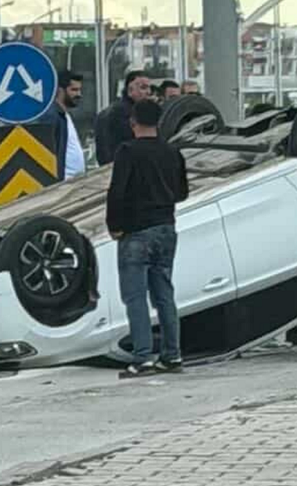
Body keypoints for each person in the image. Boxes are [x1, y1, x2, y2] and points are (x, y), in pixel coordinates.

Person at [106, 100, 189, 376]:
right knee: (164, 293)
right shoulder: (173, 152)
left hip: (136, 231)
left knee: (136, 297)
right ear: (159, 122)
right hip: (166, 228)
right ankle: (172, 355)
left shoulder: (127, 151)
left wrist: (115, 225)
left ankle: (142, 357)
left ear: (133, 122)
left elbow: (117, 192)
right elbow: (182, 192)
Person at [95, 70, 152, 165]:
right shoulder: (130, 115)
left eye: (149, 88)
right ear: (130, 91)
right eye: (143, 88)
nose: (149, 92)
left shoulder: (106, 112)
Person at [38, 70, 86, 179]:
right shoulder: (52, 116)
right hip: (63, 182)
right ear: (60, 91)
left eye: (79, 90)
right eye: (74, 90)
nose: (79, 94)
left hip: (74, 182)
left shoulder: (64, 115)